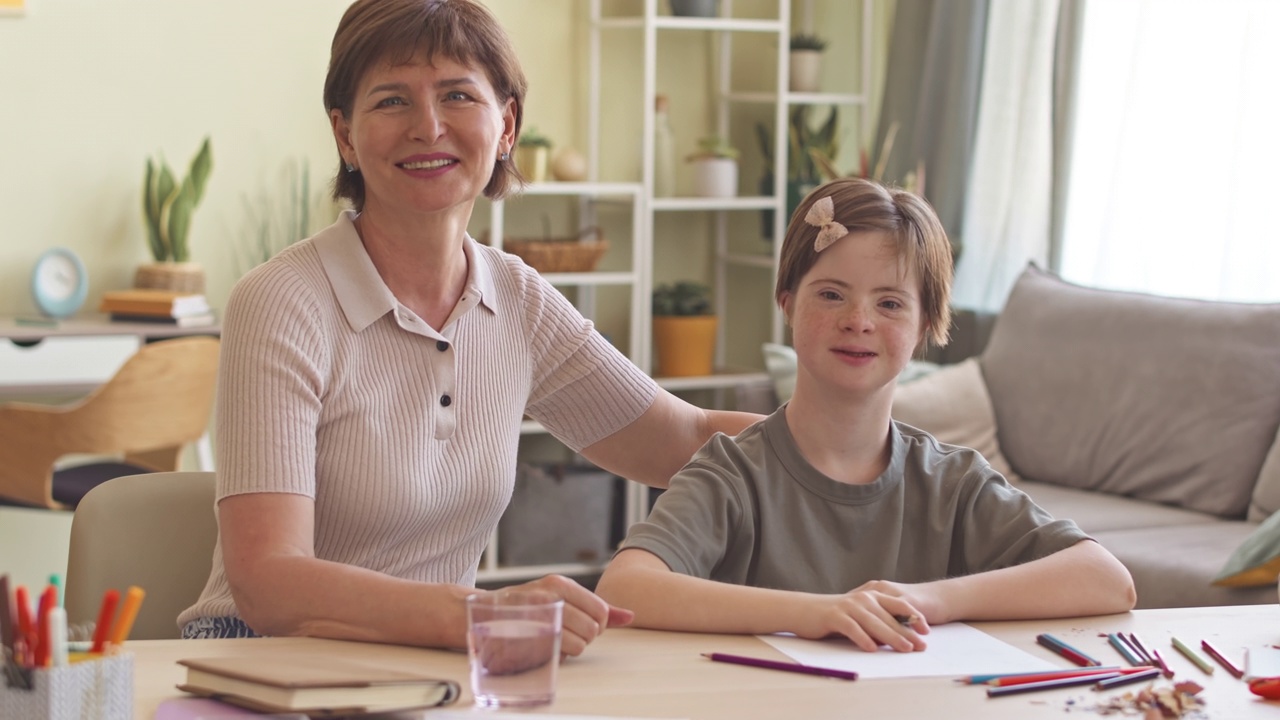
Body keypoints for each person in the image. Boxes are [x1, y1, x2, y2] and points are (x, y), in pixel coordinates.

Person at [177, 0, 759, 655]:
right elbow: (268, 584)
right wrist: (481, 613)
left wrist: (877, 452)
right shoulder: (281, 301)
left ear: (506, 124)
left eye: (457, 95)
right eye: (392, 101)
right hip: (261, 654)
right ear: (345, 135)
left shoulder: (516, 297)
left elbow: (685, 439)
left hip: (432, 663)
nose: (428, 127)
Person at [596, 178, 1137, 653]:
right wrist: (815, 613)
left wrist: (929, 599)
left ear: (926, 325)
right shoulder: (732, 473)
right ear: (787, 303)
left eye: (890, 303)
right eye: (831, 295)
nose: (858, 321)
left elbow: (1107, 579)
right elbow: (625, 588)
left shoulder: (953, 482)